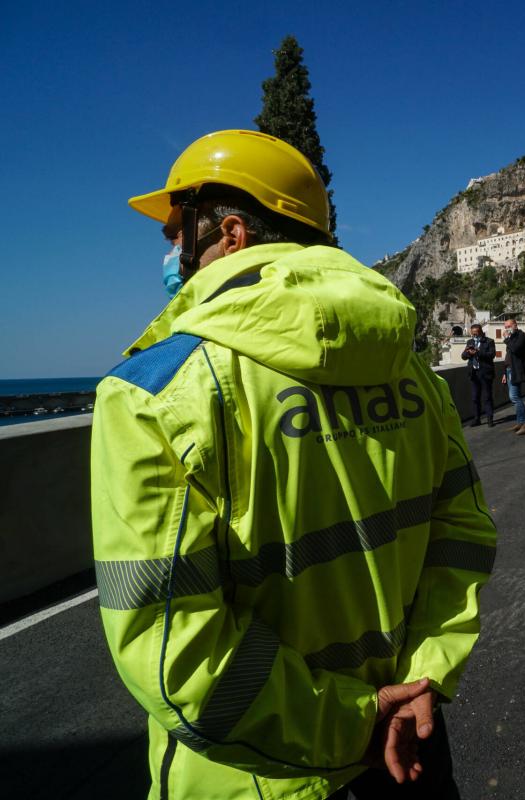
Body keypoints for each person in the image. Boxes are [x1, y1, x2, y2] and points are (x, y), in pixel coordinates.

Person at [91, 129, 497, 800]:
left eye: (175, 230)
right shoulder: (411, 370)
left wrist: (353, 727)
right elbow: (463, 539)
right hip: (413, 748)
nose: (170, 251)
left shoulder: (153, 395)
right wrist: (424, 677)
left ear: (229, 232)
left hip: (261, 774)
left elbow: (175, 653)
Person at [500, 318, 525, 435]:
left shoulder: (522, 336)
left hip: (516, 371)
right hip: (509, 370)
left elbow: (516, 349)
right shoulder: (512, 338)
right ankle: (520, 422)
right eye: (505, 327)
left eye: (508, 326)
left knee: (514, 397)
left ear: (515, 325)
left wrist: (507, 338)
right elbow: (508, 356)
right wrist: (504, 373)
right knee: (515, 396)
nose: (506, 329)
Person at [461, 323, 495, 427]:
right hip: (474, 373)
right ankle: (477, 419)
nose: (474, 336)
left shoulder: (489, 341)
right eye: (473, 334)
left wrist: (477, 352)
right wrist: (468, 353)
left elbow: (491, 355)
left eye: (476, 333)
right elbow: (463, 356)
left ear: (480, 332)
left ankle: (490, 419)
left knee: (487, 397)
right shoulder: (470, 342)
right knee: (475, 398)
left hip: (485, 373)